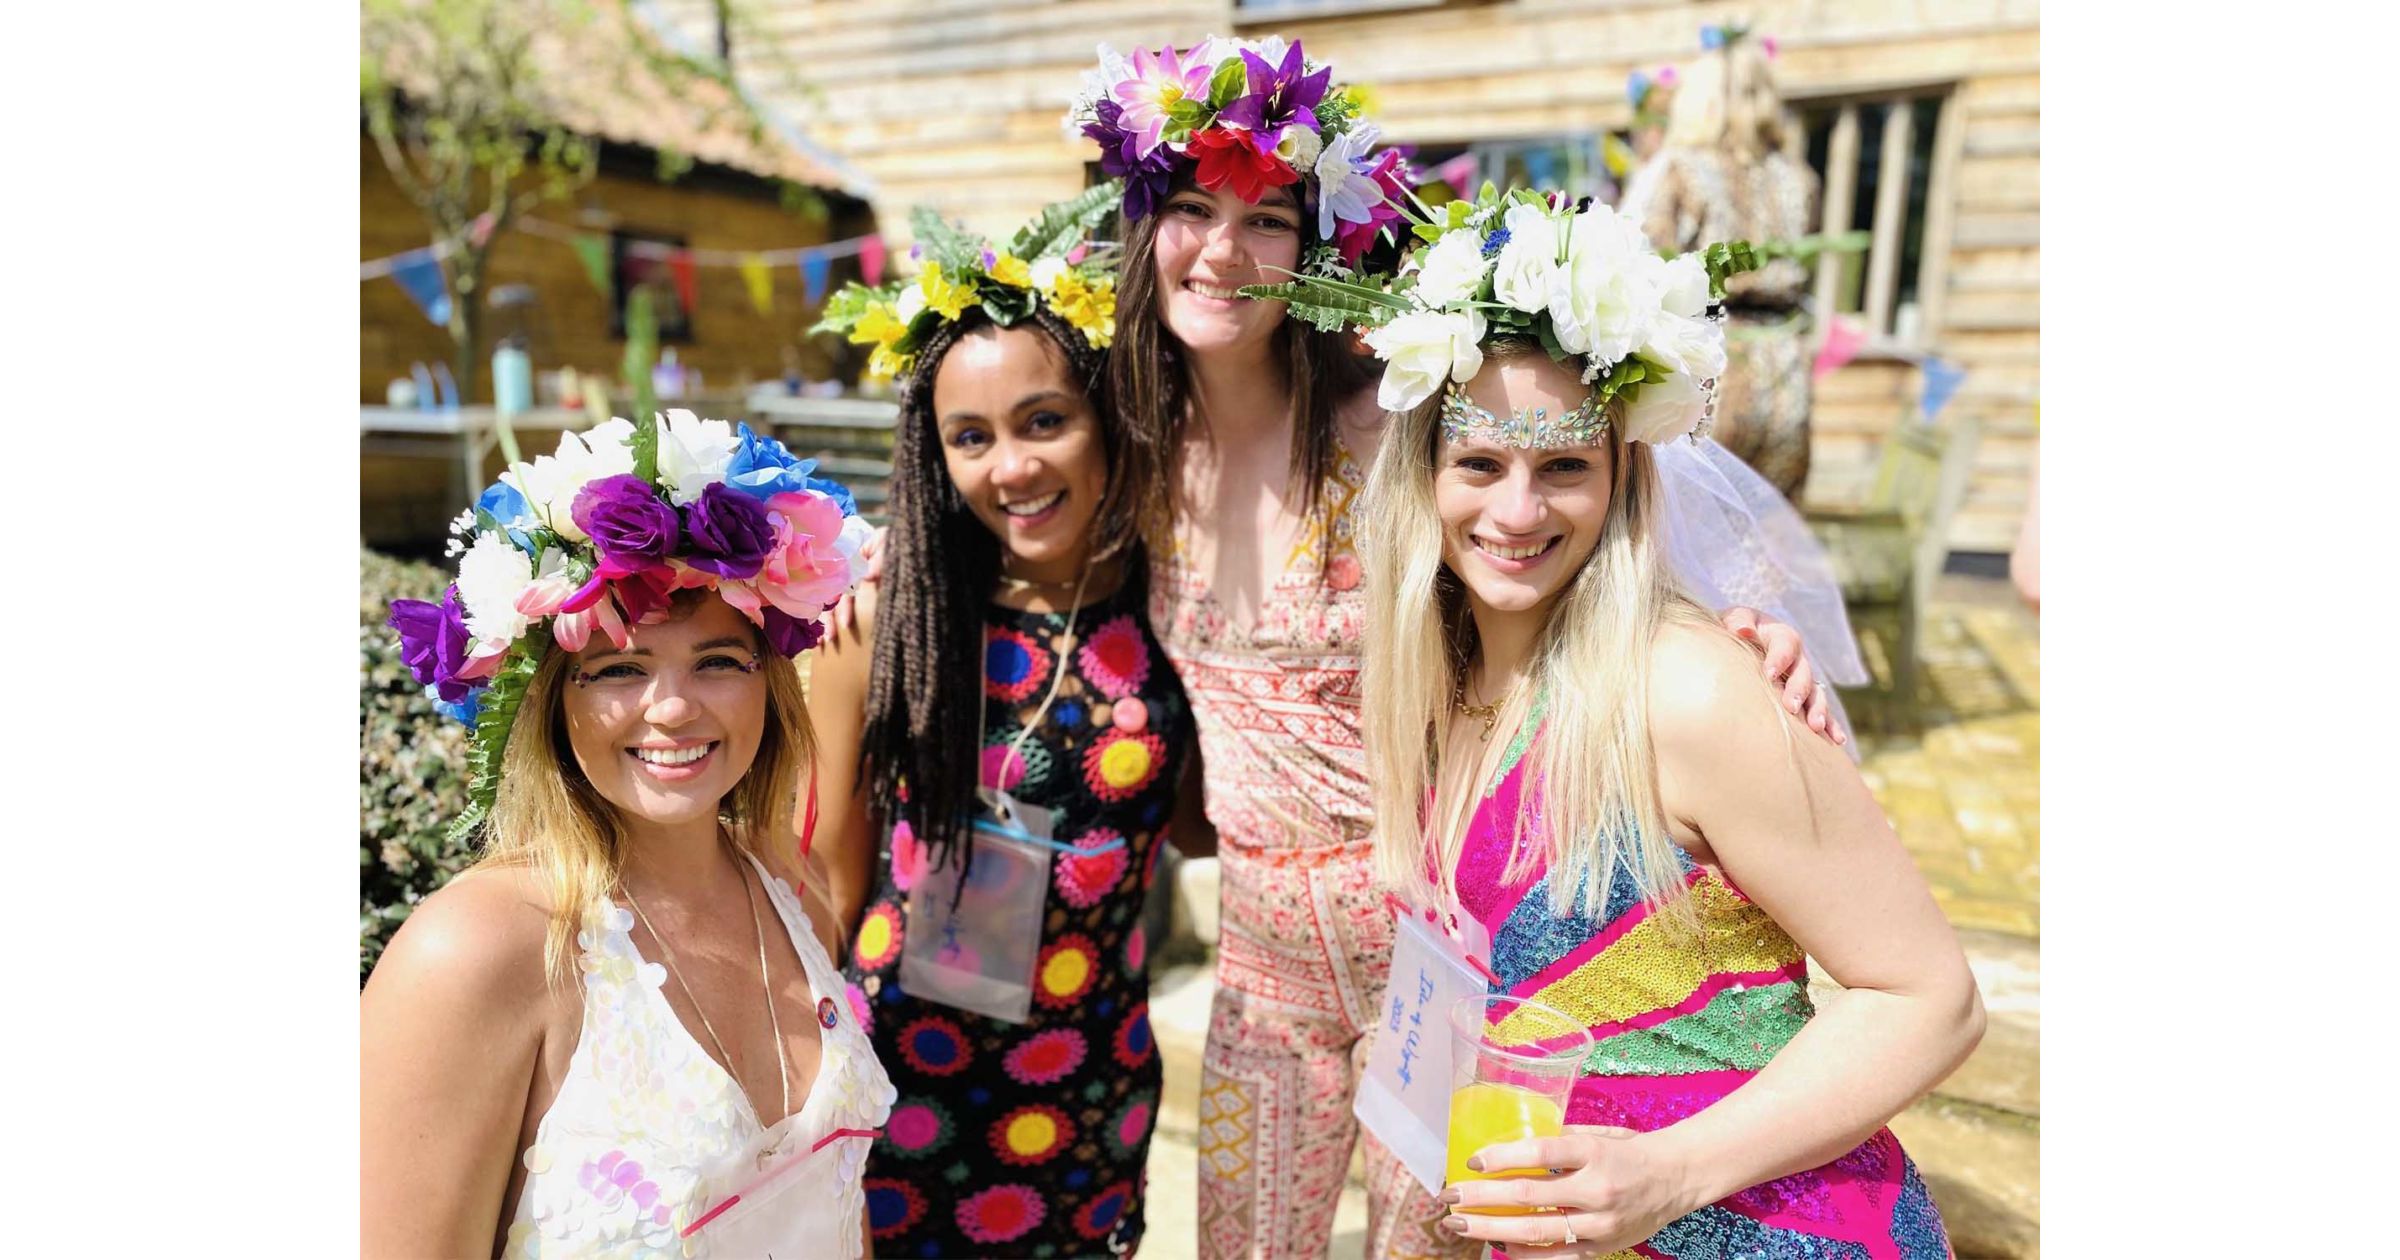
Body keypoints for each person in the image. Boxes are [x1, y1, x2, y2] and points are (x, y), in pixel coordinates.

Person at [1067, 37, 1858, 1259]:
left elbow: (1563, 536)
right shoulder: (1130, 444)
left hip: (1441, 942)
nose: (1223, 250)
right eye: (1187, 207)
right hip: (1259, 958)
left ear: (1320, 241)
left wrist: (1739, 634)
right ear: (1140, 226)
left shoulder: (1392, 435)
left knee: (1430, 1248)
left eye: (1268, 216)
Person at [1332, 189, 1983, 1256]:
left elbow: (1932, 999)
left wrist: (1673, 1172)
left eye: (1566, 467)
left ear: (1625, 476)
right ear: (1423, 475)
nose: (1518, 511)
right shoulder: (1440, 691)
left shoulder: (1684, 692)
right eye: (1481, 463)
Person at [361, 415, 892, 1258]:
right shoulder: (472, 955)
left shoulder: (793, 887)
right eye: (618, 669)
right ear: (551, 700)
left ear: (771, 683)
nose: (674, 707)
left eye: (718, 660)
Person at [809, 202, 1207, 1255]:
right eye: (970, 438)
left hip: (1086, 1094)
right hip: (898, 1087)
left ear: (1108, 415)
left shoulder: (1174, 611)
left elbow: (1209, 829)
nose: (1012, 468)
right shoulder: (885, 622)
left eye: (1044, 421)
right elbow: (821, 876)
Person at [1619, 27, 1821, 502]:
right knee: (1768, 525)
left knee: (1692, 519)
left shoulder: (1680, 168)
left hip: (1714, 362)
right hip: (1786, 369)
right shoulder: (1798, 177)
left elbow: (1638, 260)